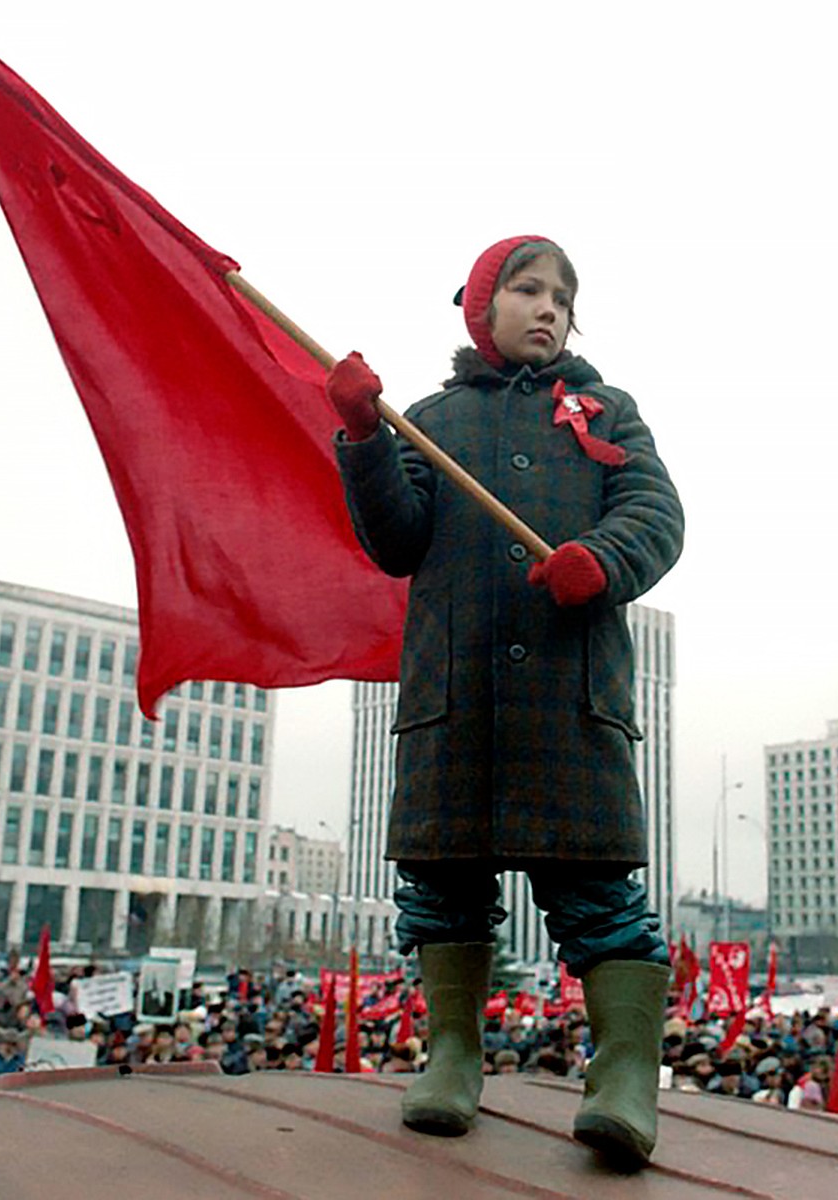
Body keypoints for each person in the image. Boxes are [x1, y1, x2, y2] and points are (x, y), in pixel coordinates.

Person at [326, 236, 684, 1167]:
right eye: (528, 289)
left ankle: (624, 1077)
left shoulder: (610, 412)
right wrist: (366, 441)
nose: (549, 308)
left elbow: (656, 512)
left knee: (601, 900)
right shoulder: (432, 419)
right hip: (458, 704)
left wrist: (601, 560)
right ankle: (452, 1054)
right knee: (442, 894)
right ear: (480, 306)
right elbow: (397, 540)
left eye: (563, 297)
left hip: (571, 703)